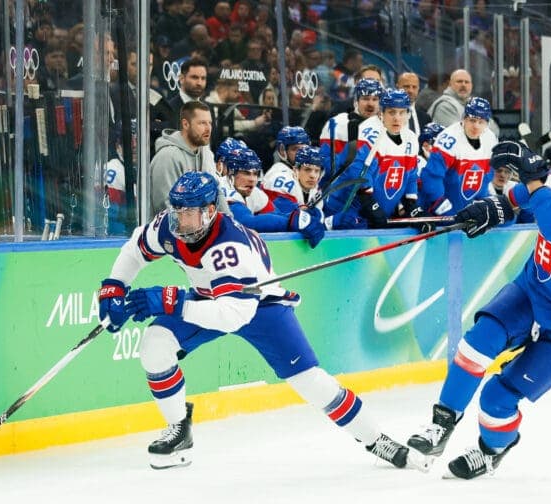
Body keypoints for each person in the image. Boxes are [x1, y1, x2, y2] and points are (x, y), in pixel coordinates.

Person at [96, 171, 415, 470]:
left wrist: (173, 302)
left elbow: (234, 315)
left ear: (209, 211)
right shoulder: (169, 225)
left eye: (188, 211)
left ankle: (377, 440)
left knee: (309, 381)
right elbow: (135, 249)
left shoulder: (229, 246)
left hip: (258, 307)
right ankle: (179, 430)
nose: (179, 218)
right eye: (176, 209)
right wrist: (114, 286)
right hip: (209, 298)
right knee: (155, 345)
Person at [408, 145, 551, 479]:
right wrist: (494, 207)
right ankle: (441, 425)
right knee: (477, 343)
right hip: (532, 290)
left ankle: (492, 451)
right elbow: (521, 195)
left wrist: (536, 185)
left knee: (497, 400)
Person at [324, 88, 422, 228]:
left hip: (376, 213)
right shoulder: (370, 131)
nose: (397, 118)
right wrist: (371, 205)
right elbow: (361, 175)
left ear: (408, 114)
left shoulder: (411, 138)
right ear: (381, 113)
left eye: (402, 112)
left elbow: (411, 175)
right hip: (347, 210)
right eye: (391, 112)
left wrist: (412, 205)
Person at [221, 147, 325, 247]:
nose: (252, 179)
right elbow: (245, 222)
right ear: (231, 173)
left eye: (255, 173)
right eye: (246, 173)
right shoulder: (225, 188)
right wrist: (291, 221)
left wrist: (302, 216)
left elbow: (275, 214)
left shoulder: (254, 192)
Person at [417, 97, 498, 216]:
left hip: (469, 204)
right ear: (464, 118)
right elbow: (432, 176)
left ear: (487, 123)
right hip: (446, 203)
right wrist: (440, 203)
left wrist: (481, 204)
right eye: (472, 120)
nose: (476, 126)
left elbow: (486, 176)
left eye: (481, 122)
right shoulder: (449, 138)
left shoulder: (490, 138)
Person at [149, 100, 220, 216]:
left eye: (210, 123)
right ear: (185, 124)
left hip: (199, 228)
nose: (208, 128)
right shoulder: (168, 157)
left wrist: (229, 225)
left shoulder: (205, 153)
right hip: (169, 232)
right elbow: (165, 208)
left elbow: (217, 194)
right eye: (202, 123)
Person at [318, 77, 383, 186]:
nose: (370, 104)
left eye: (375, 99)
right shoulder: (337, 123)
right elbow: (325, 163)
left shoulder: (384, 127)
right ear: (356, 101)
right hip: (340, 190)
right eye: (366, 98)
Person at [260, 126, 310, 204]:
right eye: (295, 149)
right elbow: (286, 214)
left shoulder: (306, 171)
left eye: (305, 148)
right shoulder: (278, 176)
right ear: (282, 151)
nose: (302, 153)